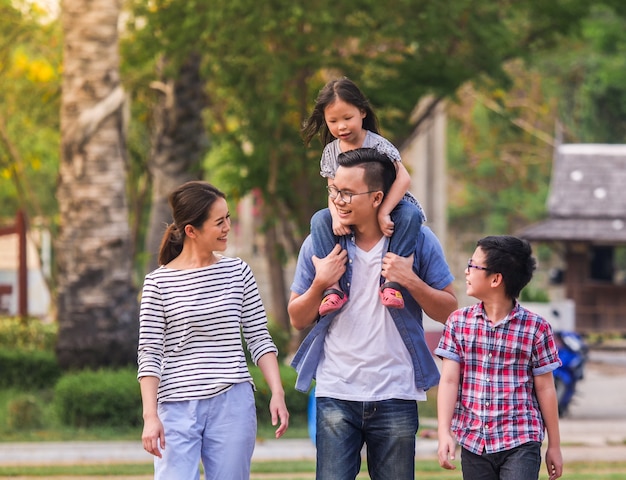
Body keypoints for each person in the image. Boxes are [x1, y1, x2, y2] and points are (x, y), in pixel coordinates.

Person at [289, 148, 458, 480]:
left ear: (378, 197)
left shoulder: (419, 241)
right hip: (337, 391)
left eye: (348, 193)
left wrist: (410, 281)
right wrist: (321, 283)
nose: (337, 199)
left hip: (396, 390)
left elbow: (449, 311)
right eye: (334, 190)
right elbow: (297, 317)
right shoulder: (320, 242)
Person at [137, 181, 289, 480]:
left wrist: (277, 392)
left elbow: (259, 338)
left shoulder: (238, 272)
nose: (227, 228)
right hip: (176, 406)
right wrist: (150, 415)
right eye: (219, 222)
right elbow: (150, 353)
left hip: (232, 402)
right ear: (191, 230)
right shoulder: (158, 284)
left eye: (228, 218)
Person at [435, 235, 563, 480]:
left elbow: (546, 388)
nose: (466, 271)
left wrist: (554, 446)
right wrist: (444, 431)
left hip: (521, 439)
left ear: (495, 279)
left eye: (473, 265)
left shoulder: (536, 328)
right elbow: (449, 381)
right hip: (474, 441)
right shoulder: (458, 323)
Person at [302, 77, 427, 316]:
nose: (341, 127)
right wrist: (336, 217)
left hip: (388, 202)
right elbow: (332, 188)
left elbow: (403, 179)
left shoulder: (377, 144)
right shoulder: (331, 151)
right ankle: (333, 289)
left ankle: (391, 283)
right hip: (348, 205)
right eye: (333, 121)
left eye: (347, 118)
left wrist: (383, 211)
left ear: (362, 112)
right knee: (319, 219)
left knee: (410, 215)